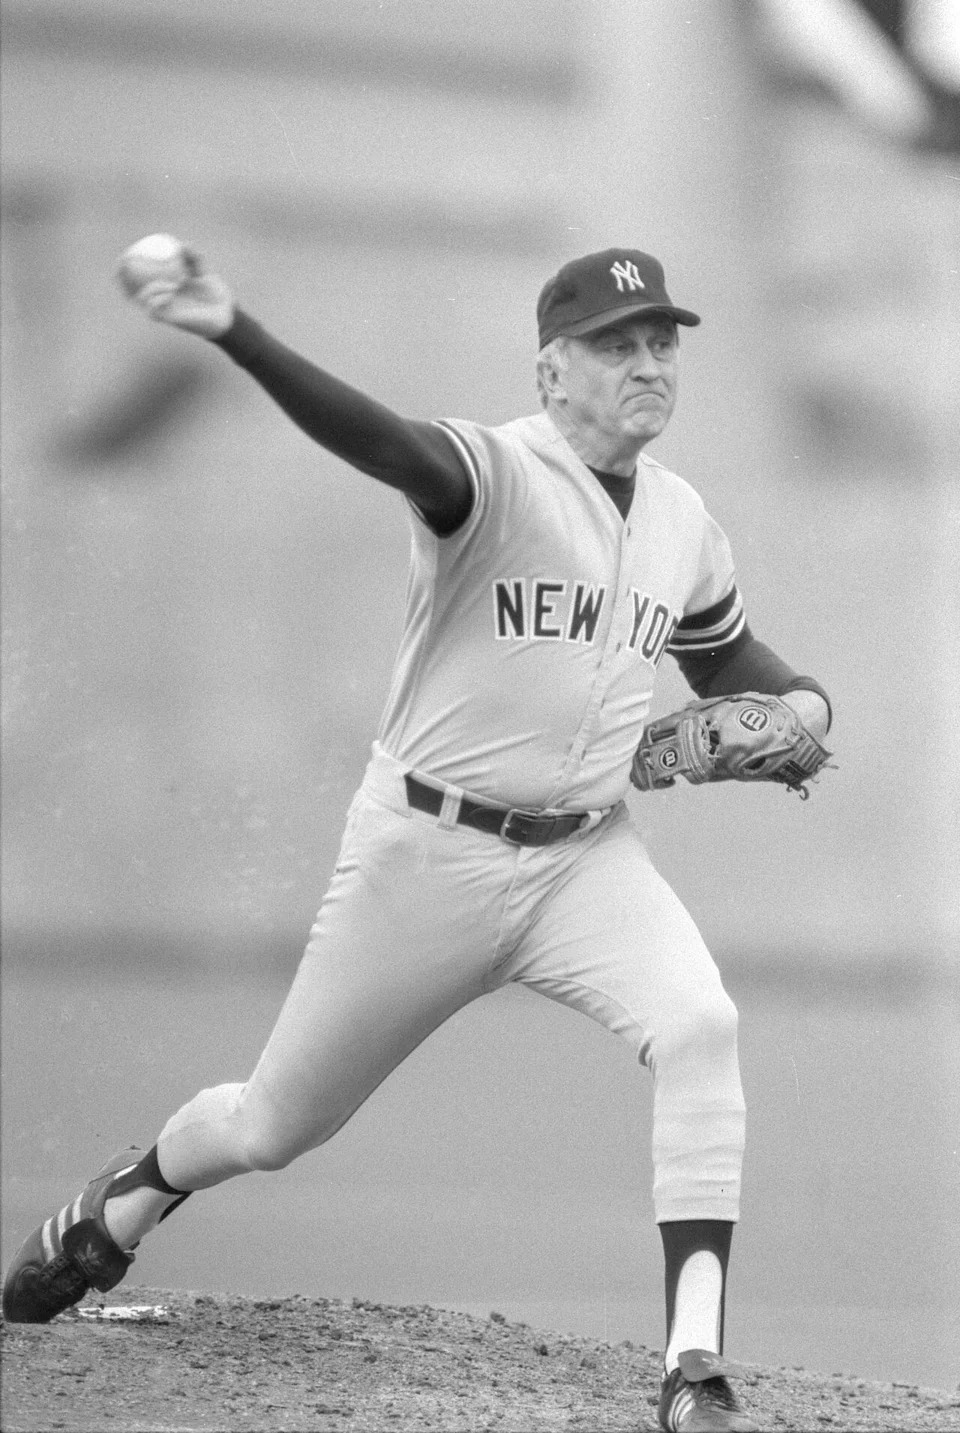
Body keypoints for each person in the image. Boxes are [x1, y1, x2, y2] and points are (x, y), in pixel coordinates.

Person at [3, 242, 832, 1432]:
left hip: (586, 860)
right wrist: (236, 327)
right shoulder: (489, 473)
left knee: (702, 1024)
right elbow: (377, 437)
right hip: (426, 852)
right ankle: (128, 1194)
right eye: (616, 344)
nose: (649, 362)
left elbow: (727, 658)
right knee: (274, 1123)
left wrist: (807, 702)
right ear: (553, 372)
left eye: (662, 341)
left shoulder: (686, 522)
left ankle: (693, 1367)